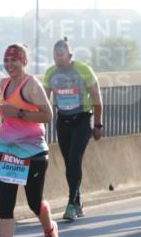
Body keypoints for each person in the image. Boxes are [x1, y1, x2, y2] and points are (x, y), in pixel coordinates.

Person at [0, 43, 60, 237]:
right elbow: (5, 105)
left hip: (33, 151)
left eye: (15, 61)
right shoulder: (4, 83)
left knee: (33, 202)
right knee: (5, 203)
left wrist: (19, 113)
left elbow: (47, 115)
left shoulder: (32, 85)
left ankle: (49, 231)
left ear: (24, 62)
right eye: (7, 61)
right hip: (7, 150)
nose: (10, 65)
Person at [44, 38, 103, 220]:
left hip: (82, 119)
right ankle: (78, 203)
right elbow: (44, 102)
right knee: (69, 163)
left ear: (70, 56)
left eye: (61, 56)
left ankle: (71, 203)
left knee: (75, 158)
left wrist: (98, 124)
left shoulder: (83, 70)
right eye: (55, 57)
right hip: (63, 121)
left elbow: (97, 99)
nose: (58, 60)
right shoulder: (50, 73)